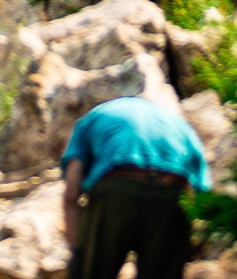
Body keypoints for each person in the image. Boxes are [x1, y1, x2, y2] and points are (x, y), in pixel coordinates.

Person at [60, 94, 210, 279]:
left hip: (117, 188)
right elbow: (203, 190)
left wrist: (79, 254)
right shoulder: (179, 124)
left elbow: (71, 194)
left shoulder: (93, 118)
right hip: (172, 193)